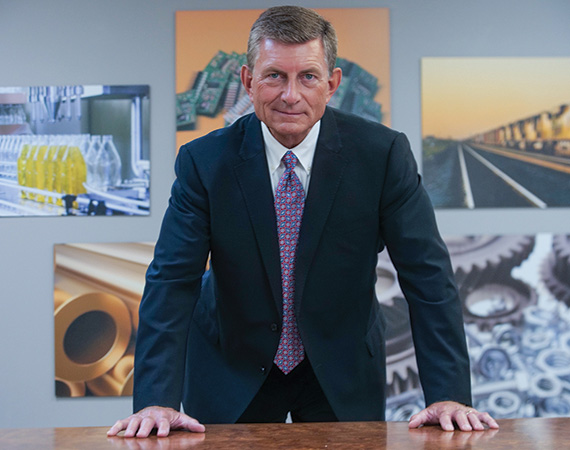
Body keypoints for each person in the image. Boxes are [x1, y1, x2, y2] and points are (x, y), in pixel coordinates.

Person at [108, 6, 498, 438]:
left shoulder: (381, 155)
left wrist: (448, 394)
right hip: (230, 364)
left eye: (308, 77)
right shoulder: (204, 162)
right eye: (274, 75)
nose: (290, 95)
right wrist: (156, 399)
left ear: (332, 84)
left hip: (340, 366)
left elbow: (428, 276)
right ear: (247, 81)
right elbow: (172, 281)